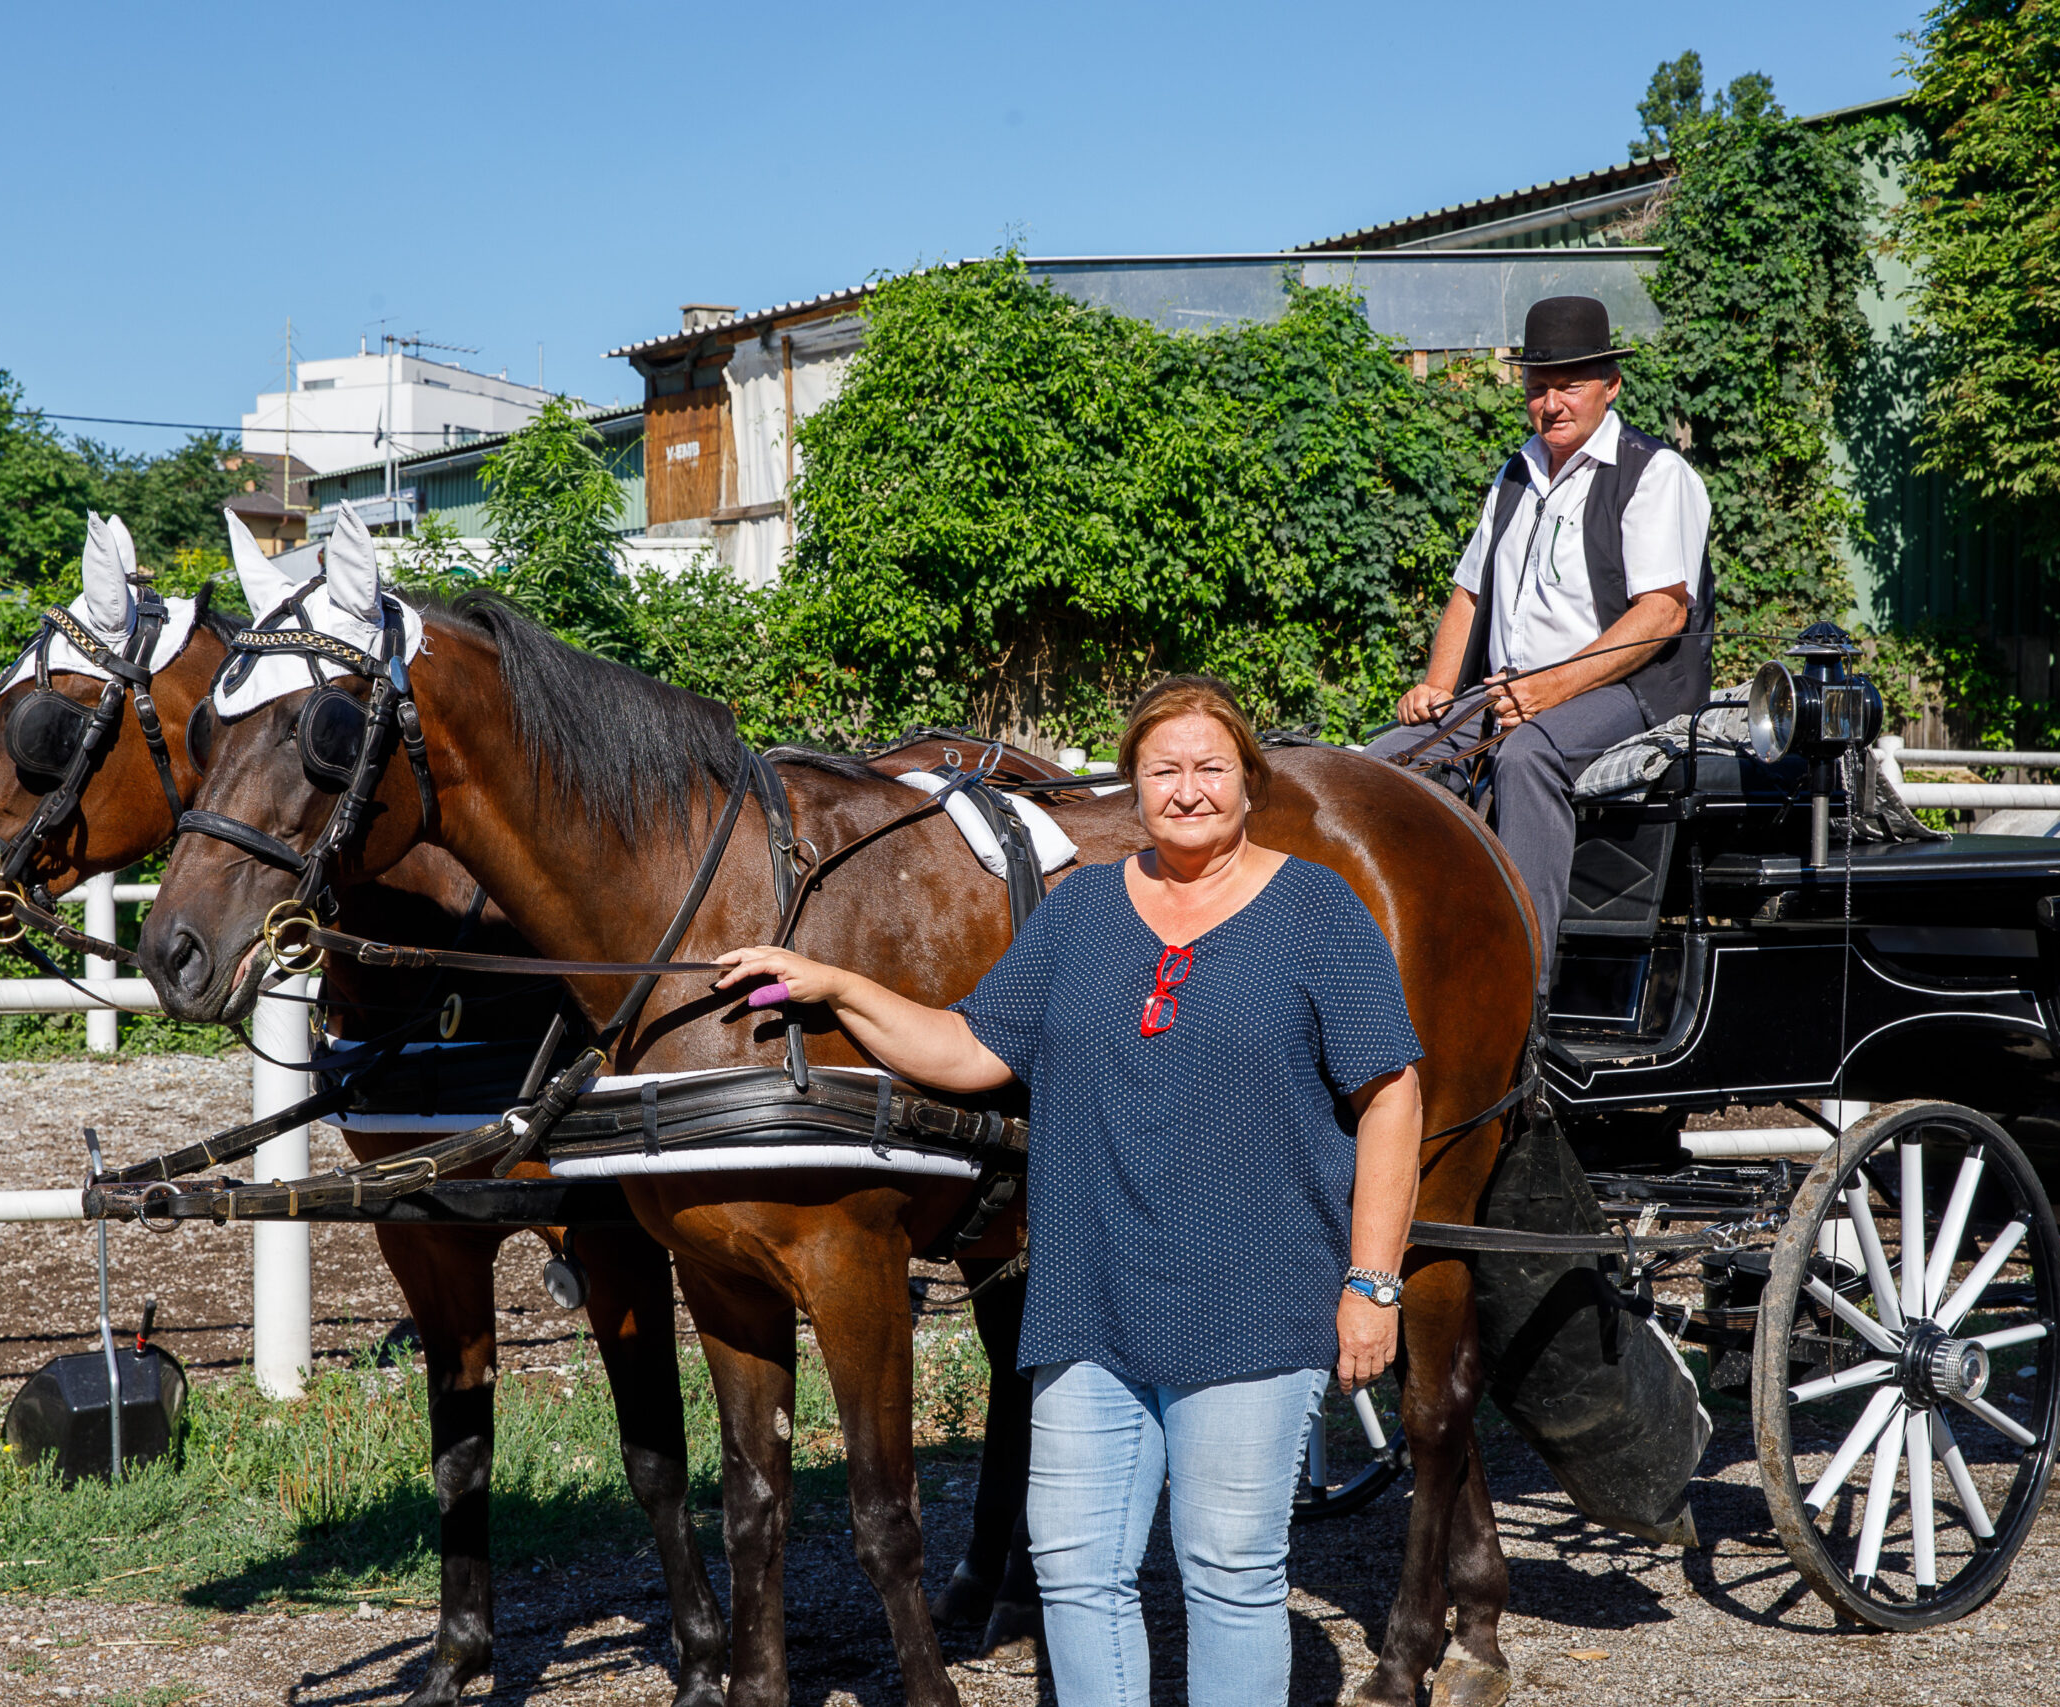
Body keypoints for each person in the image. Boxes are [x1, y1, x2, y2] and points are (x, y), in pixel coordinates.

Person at [712, 675, 1423, 1707]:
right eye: (1163, 770)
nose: (1187, 791)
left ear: (1248, 782)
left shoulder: (1314, 908)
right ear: (1131, 786)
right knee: (1077, 1573)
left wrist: (1373, 1281)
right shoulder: (1083, 907)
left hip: (1253, 1299)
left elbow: (1391, 1096)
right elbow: (965, 1048)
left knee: (1228, 1571)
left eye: (1209, 768)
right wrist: (840, 986)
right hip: (1087, 1302)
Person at [1365, 293, 1714, 970]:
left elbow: (1662, 613)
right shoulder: (1515, 474)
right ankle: (1406, 967)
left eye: (1570, 386)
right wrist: (1437, 686)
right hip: (1511, 690)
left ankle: (1521, 984)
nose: (1552, 403)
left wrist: (1550, 689)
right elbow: (1470, 591)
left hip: (1631, 689)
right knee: (1385, 765)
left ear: (1611, 386)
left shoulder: (1653, 473)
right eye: (1538, 387)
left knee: (1528, 759)